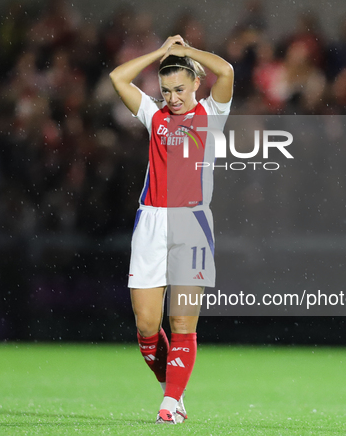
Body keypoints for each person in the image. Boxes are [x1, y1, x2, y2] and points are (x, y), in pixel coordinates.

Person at [110, 34, 233, 424]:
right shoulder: (155, 115)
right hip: (150, 221)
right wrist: (162, 53)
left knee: (181, 320)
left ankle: (170, 403)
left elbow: (226, 70)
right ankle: (174, 393)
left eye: (180, 88)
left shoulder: (212, 113)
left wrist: (186, 52)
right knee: (147, 327)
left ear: (197, 83)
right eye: (166, 90)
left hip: (191, 222)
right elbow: (118, 78)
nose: (173, 97)